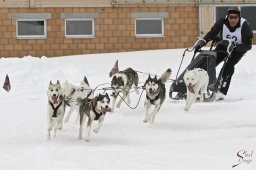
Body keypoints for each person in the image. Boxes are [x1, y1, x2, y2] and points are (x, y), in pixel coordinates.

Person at [194, 7, 253, 100]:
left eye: (235, 17)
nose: (233, 20)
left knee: (228, 66)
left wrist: (235, 47)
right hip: (224, 45)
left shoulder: (245, 26)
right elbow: (212, 33)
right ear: (227, 17)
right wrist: (203, 42)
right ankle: (201, 86)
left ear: (239, 17)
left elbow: (248, 46)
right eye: (231, 17)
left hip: (238, 49)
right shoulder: (222, 21)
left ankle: (221, 92)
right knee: (210, 61)